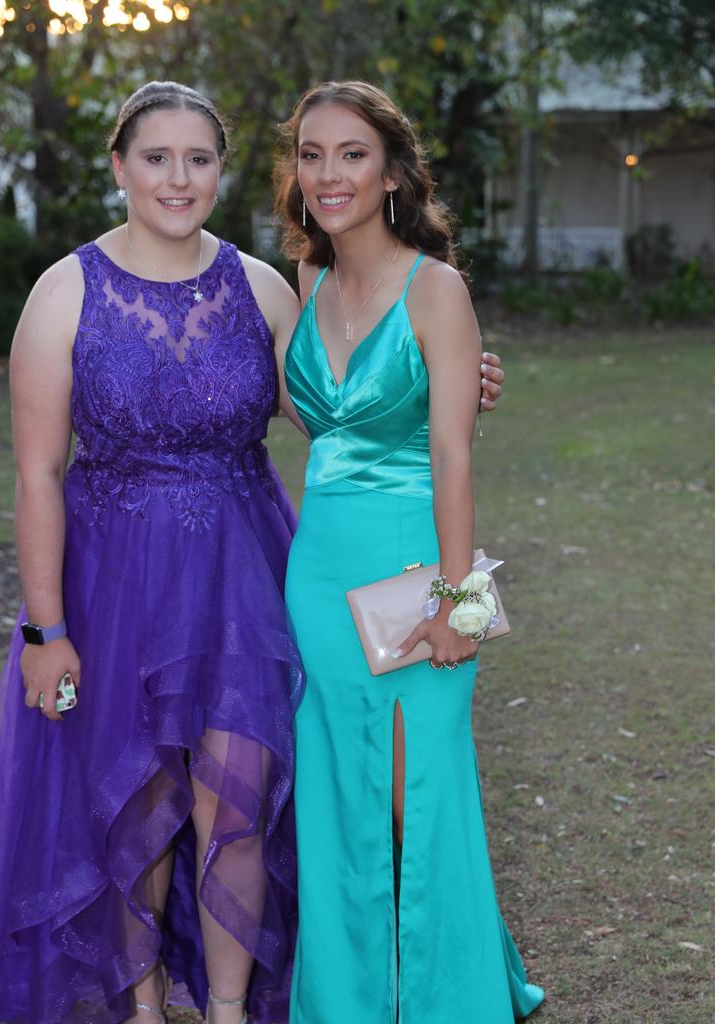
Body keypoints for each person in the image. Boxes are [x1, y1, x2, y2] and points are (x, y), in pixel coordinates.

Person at [0, 81, 504, 1024]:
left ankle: (231, 1011)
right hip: (113, 585)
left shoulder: (261, 286)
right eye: (157, 157)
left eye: (199, 158)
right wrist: (46, 625)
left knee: (233, 799)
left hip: (243, 582)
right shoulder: (62, 291)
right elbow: (38, 474)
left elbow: (332, 404)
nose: (179, 177)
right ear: (120, 165)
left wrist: (449, 373)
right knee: (133, 810)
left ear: (222, 170)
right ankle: (137, 1011)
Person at [275, 81, 544, 1024]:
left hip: (416, 567)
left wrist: (458, 605)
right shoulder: (300, 288)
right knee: (343, 793)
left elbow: (453, 454)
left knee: (415, 792)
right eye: (311, 154)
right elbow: (257, 399)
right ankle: (346, 1002)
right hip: (317, 581)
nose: (329, 174)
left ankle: (452, 996)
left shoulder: (438, 289)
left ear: (392, 172)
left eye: (351, 154)